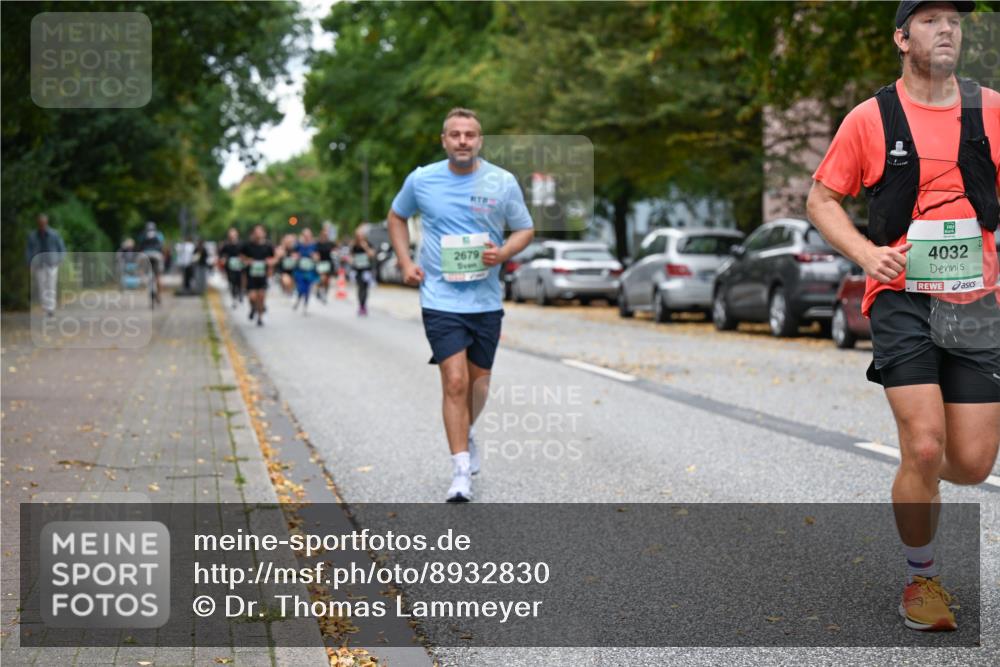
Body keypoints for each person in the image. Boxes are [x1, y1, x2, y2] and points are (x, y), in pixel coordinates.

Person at [806, 0, 999, 632]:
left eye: (955, 21)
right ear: (901, 37)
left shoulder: (992, 110)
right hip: (902, 300)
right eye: (930, 20)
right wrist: (866, 253)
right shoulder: (870, 118)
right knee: (924, 441)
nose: (947, 29)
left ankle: (924, 464)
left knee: (970, 464)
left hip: (977, 302)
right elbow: (822, 198)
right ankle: (921, 580)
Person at [388, 107, 535, 502]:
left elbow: (525, 227)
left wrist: (502, 252)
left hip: (485, 299)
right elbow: (396, 217)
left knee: (478, 385)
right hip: (439, 297)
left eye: (470, 134)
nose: (463, 141)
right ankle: (460, 471)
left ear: (480, 140)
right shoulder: (422, 180)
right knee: (454, 381)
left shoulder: (501, 182)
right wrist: (405, 262)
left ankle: (465, 428)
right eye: (455, 134)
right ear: (444, 140)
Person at [25, 213, 66, 317]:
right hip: (39, 264)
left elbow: (61, 248)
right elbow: (29, 251)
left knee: (51, 286)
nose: (42, 225)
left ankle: (50, 308)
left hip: (52, 263)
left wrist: (60, 259)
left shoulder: (54, 234)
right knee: (42, 286)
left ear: (46, 222)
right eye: (40, 223)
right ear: (38, 223)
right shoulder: (32, 236)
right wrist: (29, 262)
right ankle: (45, 307)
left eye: (43, 223)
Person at [240, 224, 276, 327]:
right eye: (256, 232)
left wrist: (270, 264)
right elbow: (241, 257)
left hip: (263, 275)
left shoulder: (268, 246)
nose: (258, 234)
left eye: (260, 232)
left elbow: (274, 259)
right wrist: (247, 261)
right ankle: (253, 308)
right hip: (251, 276)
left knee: (261, 297)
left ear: (264, 233)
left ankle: (260, 318)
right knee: (252, 297)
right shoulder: (247, 245)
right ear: (253, 234)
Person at [349, 226, 376, 316]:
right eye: (358, 235)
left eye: (361, 235)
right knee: (360, 288)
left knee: (365, 288)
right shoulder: (354, 245)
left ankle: (364, 305)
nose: (360, 237)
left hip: (366, 270)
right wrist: (351, 260)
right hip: (357, 270)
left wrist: (366, 247)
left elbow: (372, 255)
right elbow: (350, 256)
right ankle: (361, 305)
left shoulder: (368, 244)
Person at [137, 221, 165, 305]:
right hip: (156, 255)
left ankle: (141, 276)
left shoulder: (143, 235)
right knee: (158, 276)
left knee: (141, 267)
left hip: (145, 255)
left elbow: (140, 246)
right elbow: (161, 246)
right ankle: (159, 296)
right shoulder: (159, 234)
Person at [292, 228, 319, 314]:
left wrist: (314, 257)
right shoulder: (298, 245)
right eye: (305, 235)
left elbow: (317, 257)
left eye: (308, 235)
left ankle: (305, 305)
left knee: (307, 288)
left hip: (310, 270)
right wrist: (296, 257)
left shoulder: (314, 245)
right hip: (300, 270)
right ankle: (298, 299)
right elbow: (293, 254)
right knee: (300, 287)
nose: (307, 237)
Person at [218, 227, 245, 308]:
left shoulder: (242, 244)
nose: (232, 236)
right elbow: (221, 255)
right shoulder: (226, 245)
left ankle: (240, 293)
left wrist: (243, 259)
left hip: (240, 266)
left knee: (239, 281)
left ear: (237, 234)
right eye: (230, 234)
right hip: (230, 266)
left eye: (234, 234)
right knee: (232, 282)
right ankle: (234, 299)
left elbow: (246, 253)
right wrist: (223, 259)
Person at [315, 227, 336, 303]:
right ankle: (319, 290)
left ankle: (325, 293)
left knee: (327, 280)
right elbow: (315, 252)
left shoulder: (330, 243)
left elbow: (335, 250)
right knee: (322, 278)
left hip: (328, 263)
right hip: (321, 263)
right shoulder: (318, 244)